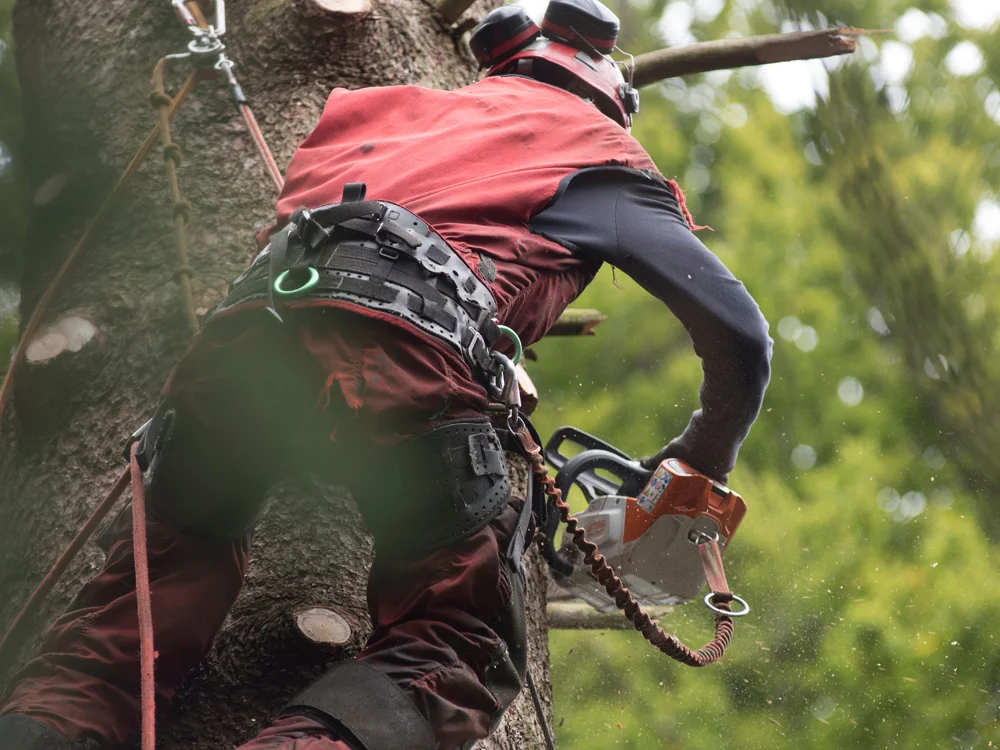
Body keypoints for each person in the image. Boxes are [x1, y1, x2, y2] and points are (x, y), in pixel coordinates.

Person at [0, 0, 771, 747]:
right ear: (609, 96)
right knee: (456, 643)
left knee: (124, 623)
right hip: (407, 351)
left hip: (244, 341)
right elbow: (740, 339)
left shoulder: (377, 115)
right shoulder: (597, 150)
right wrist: (698, 461)